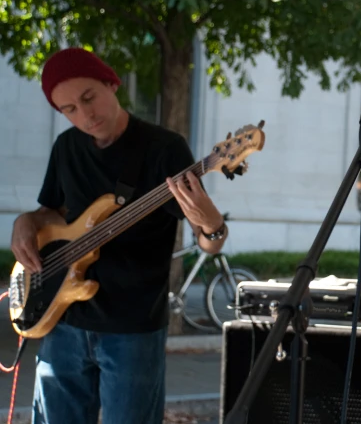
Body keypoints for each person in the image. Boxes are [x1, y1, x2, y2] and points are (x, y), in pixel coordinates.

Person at [9, 47, 229, 424]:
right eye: (69, 110)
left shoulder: (164, 148)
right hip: (63, 319)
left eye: (88, 98)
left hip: (133, 329)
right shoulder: (66, 147)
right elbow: (52, 212)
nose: (84, 114)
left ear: (112, 83)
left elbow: (210, 242)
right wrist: (24, 221)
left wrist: (212, 225)